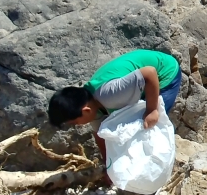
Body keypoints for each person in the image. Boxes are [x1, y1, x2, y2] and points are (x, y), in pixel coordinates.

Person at [48, 49, 183, 165]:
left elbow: (149, 73)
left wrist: (152, 110)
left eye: (75, 122)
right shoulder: (93, 105)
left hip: (164, 73)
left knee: (147, 126)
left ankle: (155, 169)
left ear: (86, 111)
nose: (77, 126)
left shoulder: (110, 95)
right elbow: (99, 134)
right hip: (141, 82)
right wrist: (108, 165)